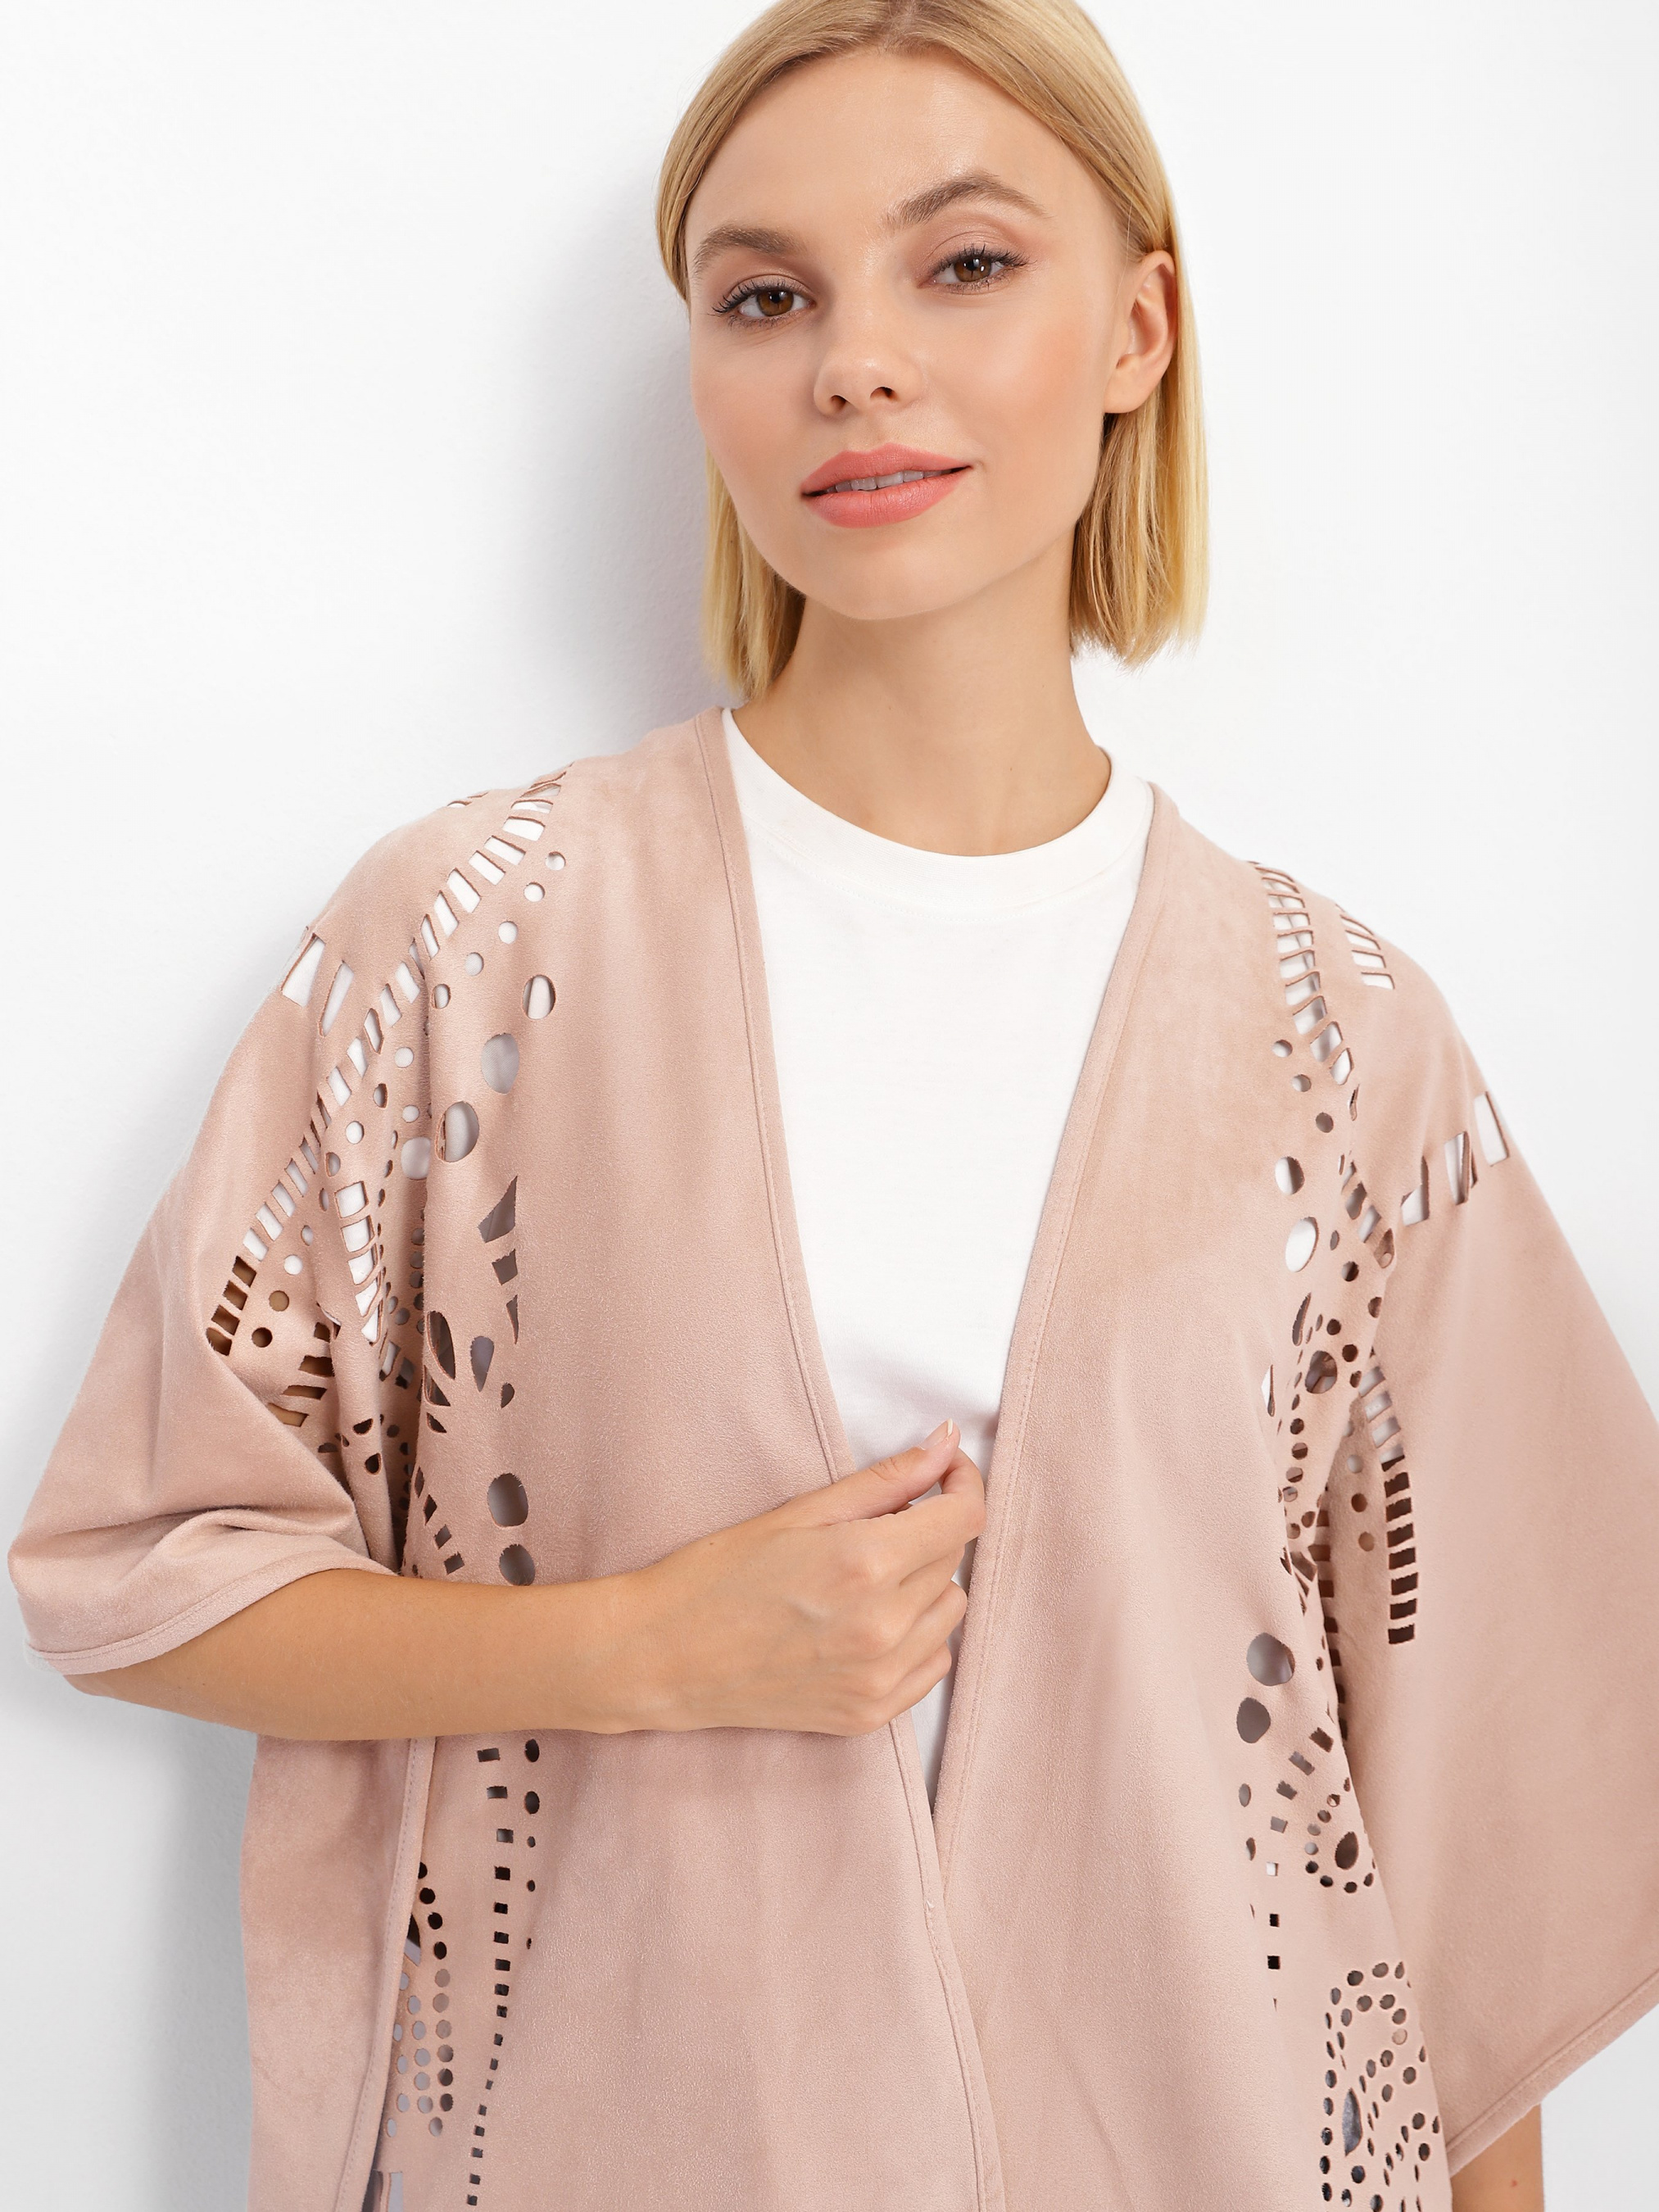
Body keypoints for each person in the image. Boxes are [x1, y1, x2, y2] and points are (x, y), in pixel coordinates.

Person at [11, 2, 1659, 2207]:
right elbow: (136, 1563)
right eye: (765, 296)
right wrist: (638, 1647)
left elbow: (1472, 1855)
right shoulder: (474, 951)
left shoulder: (1345, 1044)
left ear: (1136, 329)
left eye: (962, 264)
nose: (855, 363)